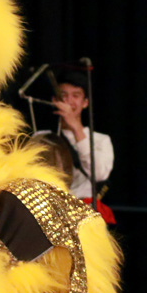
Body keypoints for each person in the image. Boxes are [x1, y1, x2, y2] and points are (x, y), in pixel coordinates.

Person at [46, 69, 114, 203]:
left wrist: (76, 128)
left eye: (76, 96)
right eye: (63, 95)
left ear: (85, 102)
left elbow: (99, 174)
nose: (69, 101)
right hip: (50, 209)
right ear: (55, 100)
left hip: (83, 210)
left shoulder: (101, 140)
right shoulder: (44, 137)